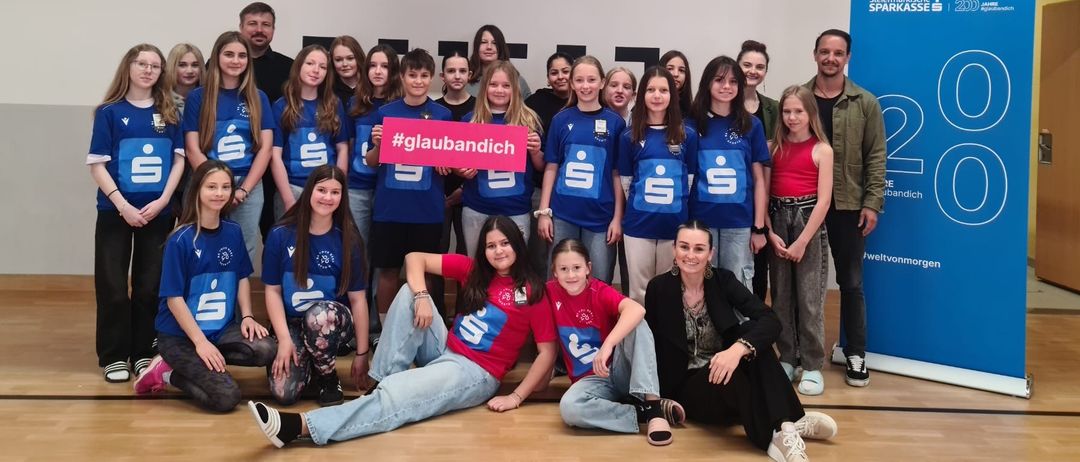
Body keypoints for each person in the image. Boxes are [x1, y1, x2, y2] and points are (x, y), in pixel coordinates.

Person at [248, 215, 557, 448]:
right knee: (411, 292)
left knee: (400, 396)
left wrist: (515, 397)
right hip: (446, 348)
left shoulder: (532, 291)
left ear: (517, 245)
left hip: (476, 372)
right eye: (491, 245)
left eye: (505, 243)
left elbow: (547, 353)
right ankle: (381, 380)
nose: (498, 251)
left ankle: (300, 427)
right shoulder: (474, 270)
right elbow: (413, 258)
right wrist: (423, 297)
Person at [644, 220, 838, 462]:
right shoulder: (658, 288)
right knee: (735, 370)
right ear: (674, 250)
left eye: (699, 249)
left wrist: (737, 349)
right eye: (684, 247)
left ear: (710, 254)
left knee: (751, 337)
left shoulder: (722, 280)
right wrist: (652, 401)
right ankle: (778, 432)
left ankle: (788, 427)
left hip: (724, 367)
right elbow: (647, 346)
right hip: (690, 386)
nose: (690, 255)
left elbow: (770, 319)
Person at [133, 160, 276, 411]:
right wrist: (200, 343)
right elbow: (173, 299)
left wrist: (248, 317)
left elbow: (242, 275)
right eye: (211, 187)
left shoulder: (233, 232)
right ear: (197, 189)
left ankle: (203, 361)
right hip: (181, 337)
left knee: (265, 348)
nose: (219, 193)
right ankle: (165, 372)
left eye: (225, 187)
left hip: (219, 330)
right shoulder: (180, 240)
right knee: (226, 397)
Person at [88, 44, 185, 382]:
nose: (148, 70)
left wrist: (163, 201)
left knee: (149, 285)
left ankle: (144, 351)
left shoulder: (170, 110)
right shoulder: (109, 112)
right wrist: (122, 205)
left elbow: (179, 160)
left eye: (155, 65)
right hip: (116, 212)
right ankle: (115, 354)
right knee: (112, 284)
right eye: (141, 63)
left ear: (162, 72)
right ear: (128, 67)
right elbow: (97, 165)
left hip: (157, 213)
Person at [803, 29, 886, 387]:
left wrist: (872, 202)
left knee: (850, 282)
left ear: (847, 57)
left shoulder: (865, 102)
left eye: (838, 53)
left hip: (848, 207)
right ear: (815, 54)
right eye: (825, 51)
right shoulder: (800, 98)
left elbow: (876, 156)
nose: (830, 58)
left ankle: (855, 353)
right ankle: (801, 356)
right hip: (803, 206)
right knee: (804, 286)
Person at [549, 238, 684, 446]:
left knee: (637, 323)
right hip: (590, 381)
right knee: (569, 408)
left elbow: (637, 309)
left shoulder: (598, 291)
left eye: (576, 267)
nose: (571, 275)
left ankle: (654, 411)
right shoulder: (550, 293)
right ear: (555, 272)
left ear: (588, 268)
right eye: (564, 269)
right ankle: (640, 412)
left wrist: (608, 345)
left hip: (620, 369)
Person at [261, 165, 369, 407]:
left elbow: (358, 300)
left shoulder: (348, 238)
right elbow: (272, 291)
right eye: (321, 190)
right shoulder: (280, 234)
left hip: (331, 322)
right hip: (292, 324)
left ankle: (328, 377)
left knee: (318, 317)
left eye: (335, 192)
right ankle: (310, 362)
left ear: (343, 197)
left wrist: (362, 354)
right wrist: (284, 340)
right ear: (309, 191)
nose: (327, 198)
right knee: (283, 393)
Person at [363, 48, 453, 320]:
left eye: (424, 76)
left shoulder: (443, 115)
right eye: (412, 75)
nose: (418, 81)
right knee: (389, 270)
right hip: (391, 208)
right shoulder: (385, 113)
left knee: (430, 272)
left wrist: (445, 164)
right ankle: (385, 328)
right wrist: (379, 145)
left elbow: (449, 161)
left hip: (427, 209)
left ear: (433, 79)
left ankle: (433, 328)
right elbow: (370, 161)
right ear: (401, 77)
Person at [183, 31, 275, 269]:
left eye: (242, 55)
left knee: (243, 249)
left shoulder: (258, 97)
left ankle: (236, 306)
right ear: (217, 57)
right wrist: (218, 185)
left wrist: (242, 190)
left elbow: (265, 150)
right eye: (229, 54)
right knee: (202, 245)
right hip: (207, 182)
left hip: (248, 184)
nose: (236, 60)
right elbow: (192, 148)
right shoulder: (198, 97)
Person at [766, 86, 834, 396]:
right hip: (779, 219)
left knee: (809, 299)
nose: (792, 117)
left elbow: (823, 202)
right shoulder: (773, 148)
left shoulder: (822, 149)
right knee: (781, 297)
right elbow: (764, 194)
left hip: (807, 222)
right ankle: (788, 358)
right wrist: (769, 230)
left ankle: (812, 364)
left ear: (810, 114)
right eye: (787, 111)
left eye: (799, 111)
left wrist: (803, 241)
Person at [536, 56, 625, 284]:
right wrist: (544, 211)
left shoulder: (616, 123)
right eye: (580, 80)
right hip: (563, 214)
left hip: (601, 218)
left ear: (602, 82)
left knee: (599, 282)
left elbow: (617, 174)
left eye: (591, 79)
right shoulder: (560, 120)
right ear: (572, 84)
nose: (586, 85)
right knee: (558, 280)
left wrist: (617, 218)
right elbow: (551, 167)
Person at [687, 56, 769, 290]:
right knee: (702, 288)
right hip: (701, 224)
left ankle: (740, 329)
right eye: (719, 80)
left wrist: (759, 227)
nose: (726, 86)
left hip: (739, 224)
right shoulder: (691, 125)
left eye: (733, 81)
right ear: (707, 84)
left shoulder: (751, 125)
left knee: (738, 289)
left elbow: (759, 181)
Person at [618, 67, 697, 304]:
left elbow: (689, 182)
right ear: (641, 94)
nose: (657, 95)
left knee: (668, 293)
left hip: (673, 227)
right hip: (638, 227)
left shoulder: (688, 136)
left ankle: (664, 342)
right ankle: (638, 341)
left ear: (672, 95)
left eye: (663, 90)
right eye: (651, 89)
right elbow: (627, 183)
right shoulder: (628, 136)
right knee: (638, 293)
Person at [458, 61, 544, 257]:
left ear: (515, 88)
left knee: (513, 270)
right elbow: (459, 166)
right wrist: (463, 171)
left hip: (516, 209)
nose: (500, 90)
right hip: (477, 208)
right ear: (484, 87)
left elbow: (540, 165)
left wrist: (536, 151)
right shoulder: (470, 121)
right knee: (476, 269)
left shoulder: (529, 120)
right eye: (494, 84)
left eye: (506, 86)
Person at [269, 45, 350, 218]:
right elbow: (275, 155)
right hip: (293, 188)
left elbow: (342, 148)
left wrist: (337, 187)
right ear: (299, 65)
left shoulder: (333, 105)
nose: (316, 70)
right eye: (310, 63)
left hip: (325, 190)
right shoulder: (281, 106)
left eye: (322, 67)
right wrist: (288, 199)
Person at [238, 2, 294, 240]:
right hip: (233, 163)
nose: (259, 30)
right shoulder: (220, 65)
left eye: (266, 25)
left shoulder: (289, 68)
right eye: (253, 24)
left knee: (275, 233)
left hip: (275, 164)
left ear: (273, 30)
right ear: (241, 27)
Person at [738, 39, 780, 302]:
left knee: (758, 268)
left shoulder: (773, 108)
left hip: (766, 193)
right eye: (747, 65)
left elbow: (779, 151)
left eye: (759, 66)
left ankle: (756, 332)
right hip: (733, 196)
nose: (753, 71)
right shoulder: (721, 105)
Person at [466, 24, 531, 98]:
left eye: (494, 43)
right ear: (476, 46)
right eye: (483, 42)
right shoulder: (465, 80)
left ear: (500, 47)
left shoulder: (517, 81)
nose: (489, 47)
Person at [164, 43, 205, 115]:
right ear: (172, 67)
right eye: (182, 65)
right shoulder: (161, 99)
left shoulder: (209, 98)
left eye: (195, 65)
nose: (190, 71)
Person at [329, 36, 365, 107]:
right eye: (338, 60)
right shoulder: (327, 89)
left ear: (359, 58)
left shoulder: (371, 88)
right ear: (332, 62)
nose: (345, 64)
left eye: (350, 58)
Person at [660, 50, 693, 118]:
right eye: (670, 69)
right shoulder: (644, 109)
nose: (676, 74)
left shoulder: (692, 113)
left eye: (681, 70)